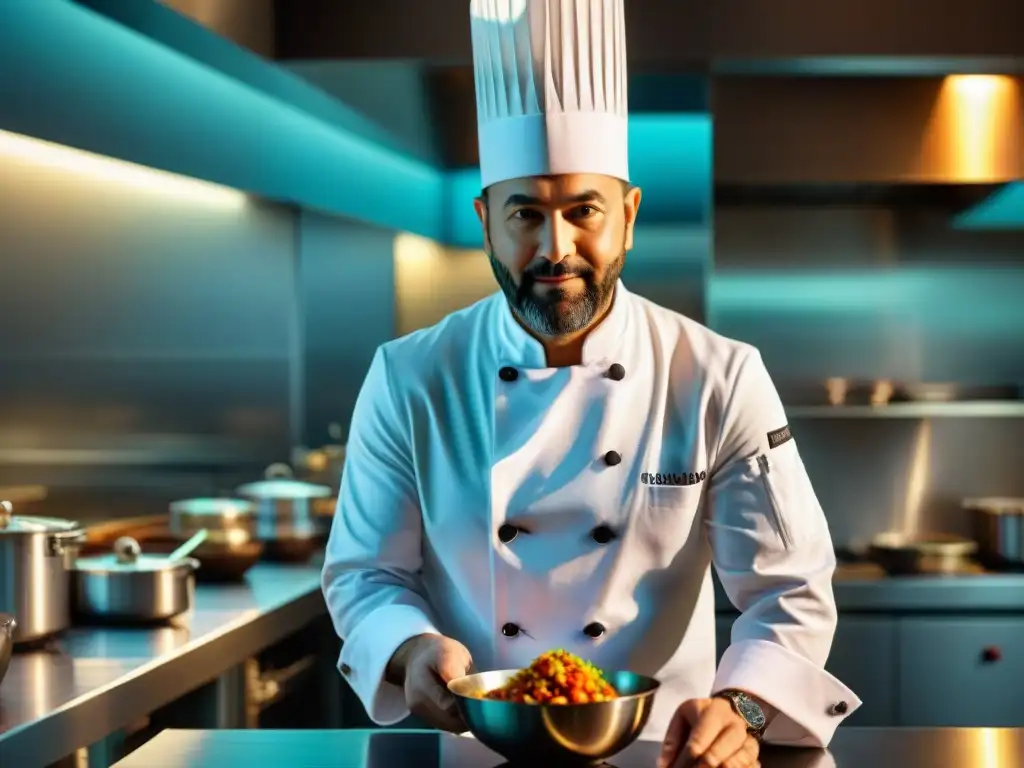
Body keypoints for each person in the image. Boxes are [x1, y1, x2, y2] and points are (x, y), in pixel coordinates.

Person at [322, 1, 861, 766]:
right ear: (484, 221)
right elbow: (367, 573)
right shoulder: (410, 376)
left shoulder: (716, 375)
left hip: (671, 750)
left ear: (630, 216)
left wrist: (743, 708)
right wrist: (408, 650)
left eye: (585, 211)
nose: (556, 247)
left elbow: (790, 587)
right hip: (480, 747)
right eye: (525, 215)